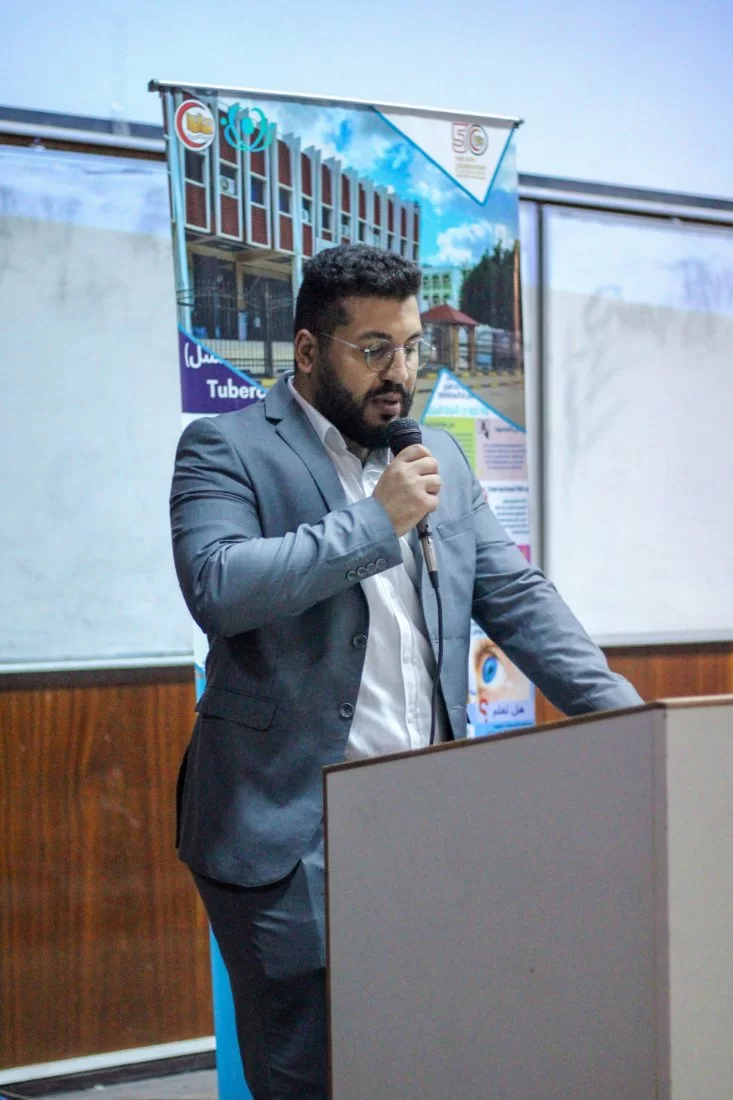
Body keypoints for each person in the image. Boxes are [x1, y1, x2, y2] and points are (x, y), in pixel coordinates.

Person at [170, 243, 642, 1099]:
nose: (400, 373)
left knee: (422, 1054)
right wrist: (373, 522)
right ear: (308, 350)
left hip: (420, 818)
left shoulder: (438, 460)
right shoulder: (226, 446)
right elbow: (220, 587)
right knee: (309, 1073)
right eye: (374, 349)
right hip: (286, 826)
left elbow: (517, 598)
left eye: (412, 347)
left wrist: (633, 722)